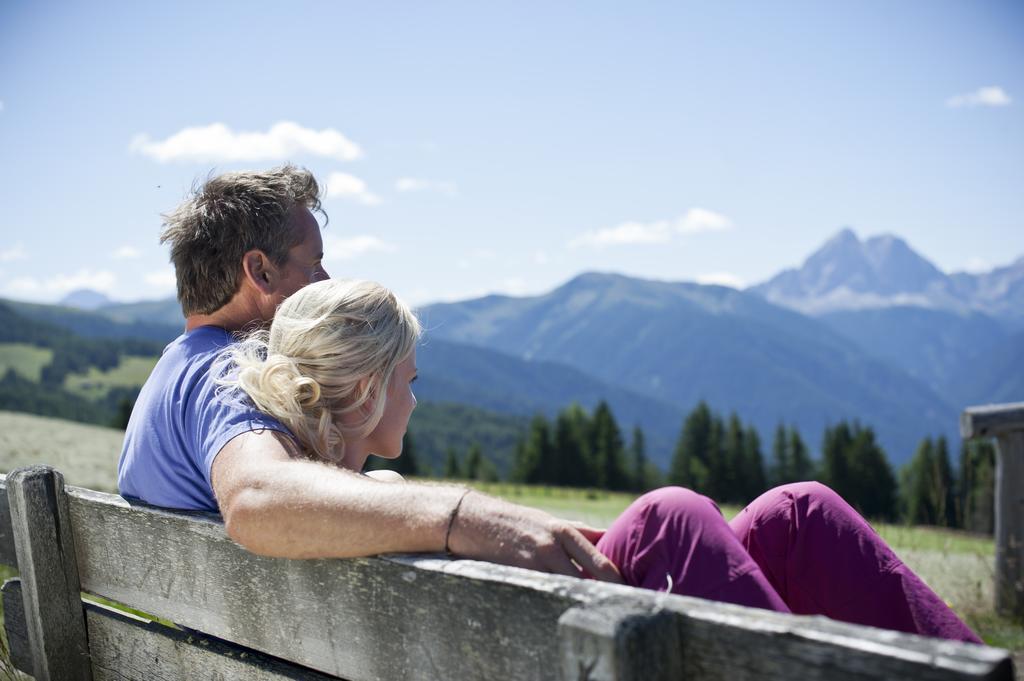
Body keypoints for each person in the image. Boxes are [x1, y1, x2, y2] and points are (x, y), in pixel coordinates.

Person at [219, 277, 982, 644]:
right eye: (409, 383)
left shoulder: (323, 501)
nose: (417, 403)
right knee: (671, 515)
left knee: (794, 510)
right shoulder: (366, 497)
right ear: (366, 389)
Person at [117, 165, 622, 582]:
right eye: (314, 265)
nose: (327, 281)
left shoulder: (176, 368)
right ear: (261, 272)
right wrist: (463, 518)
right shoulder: (232, 376)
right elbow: (257, 498)